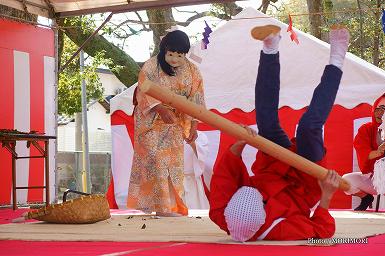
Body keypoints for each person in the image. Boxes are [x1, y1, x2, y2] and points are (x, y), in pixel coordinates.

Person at [209, 24, 349, 241]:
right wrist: (326, 196)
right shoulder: (280, 230)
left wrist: (239, 144)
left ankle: (270, 48)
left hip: (272, 168)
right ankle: (337, 58)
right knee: (308, 127)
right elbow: (322, 230)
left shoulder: (223, 215)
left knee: (266, 123)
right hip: (305, 181)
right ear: (263, 216)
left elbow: (223, 179)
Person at [127, 30, 205, 217]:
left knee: (173, 165)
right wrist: (160, 108)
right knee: (156, 160)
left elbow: (197, 98)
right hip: (151, 122)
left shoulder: (193, 70)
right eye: (171, 54)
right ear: (164, 50)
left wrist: (194, 125)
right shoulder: (151, 66)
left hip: (175, 124)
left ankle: (172, 207)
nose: (175, 59)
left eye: (180, 55)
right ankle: (159, 207)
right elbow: (143, 92)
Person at [342, 94, 385, 211]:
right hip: (374, 180)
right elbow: (363, 152)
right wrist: (378, 151)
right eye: (379, 108)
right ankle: (366, 198)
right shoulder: (366, 129)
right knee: (345, 181)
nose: (381, 112)